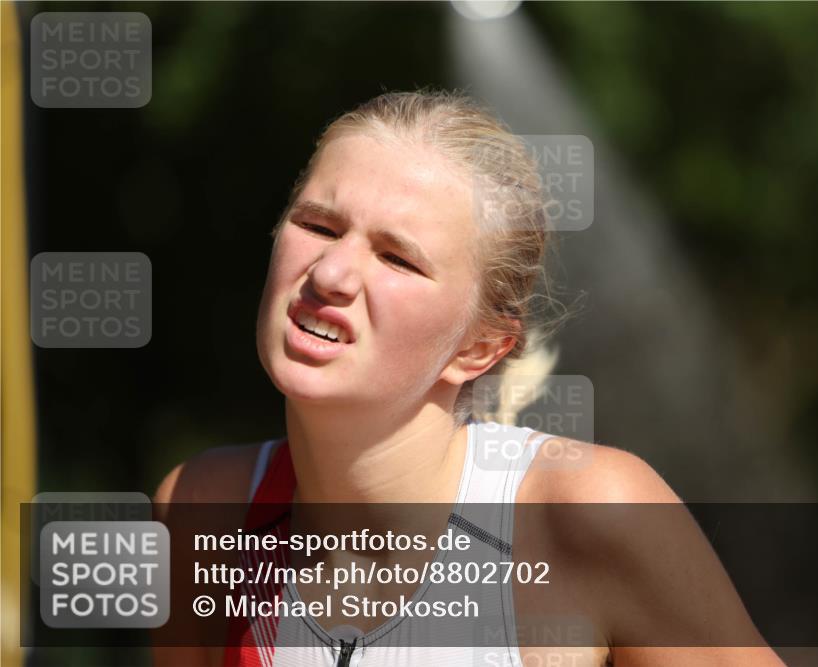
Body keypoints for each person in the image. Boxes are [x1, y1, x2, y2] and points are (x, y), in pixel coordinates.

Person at [153, 90, 786, 667]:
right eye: (318, 224)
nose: (331, 274)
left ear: (480, 348)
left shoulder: (590, 511)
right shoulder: (199, 508)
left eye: (397, 258)